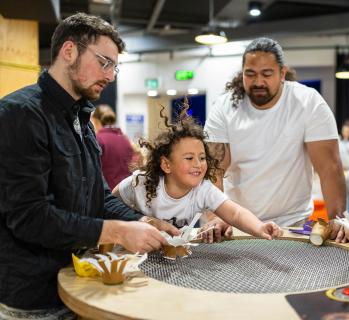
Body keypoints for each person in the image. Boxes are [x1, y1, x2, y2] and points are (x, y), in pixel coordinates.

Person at [0, 13, 179, 316]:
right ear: (69, 52)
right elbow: (30, 216)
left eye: (114, 66)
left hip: (78, 281)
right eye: (104, 62)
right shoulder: (20, 114)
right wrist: (117, 232)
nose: (111, 76)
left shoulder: (81, 118)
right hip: (34, 297)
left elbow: (99, 198)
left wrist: (143, 222)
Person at [203, 37, 346, 239]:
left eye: (266, 74)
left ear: (282, 73)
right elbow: (212, 170)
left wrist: (337, 221)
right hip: (238, 223)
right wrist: (214, 217)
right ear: (242, 73)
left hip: (292, 223)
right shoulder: (224, 107)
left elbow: (329, 167)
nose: (258, 82)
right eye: (250, 74)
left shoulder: (308, 102)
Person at [112, 104, 283, 242]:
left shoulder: (203, 189)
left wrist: (259, 227)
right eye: (189, 158)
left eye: (202, 157)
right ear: (166, 164)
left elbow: (235, 213)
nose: (198, 164)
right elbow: (110, 204)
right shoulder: (141, 183)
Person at [91, 104, 134, 189]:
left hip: (107, 193)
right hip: (125, 190)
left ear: (95, 121)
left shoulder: (98, 139)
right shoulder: (124, 139)